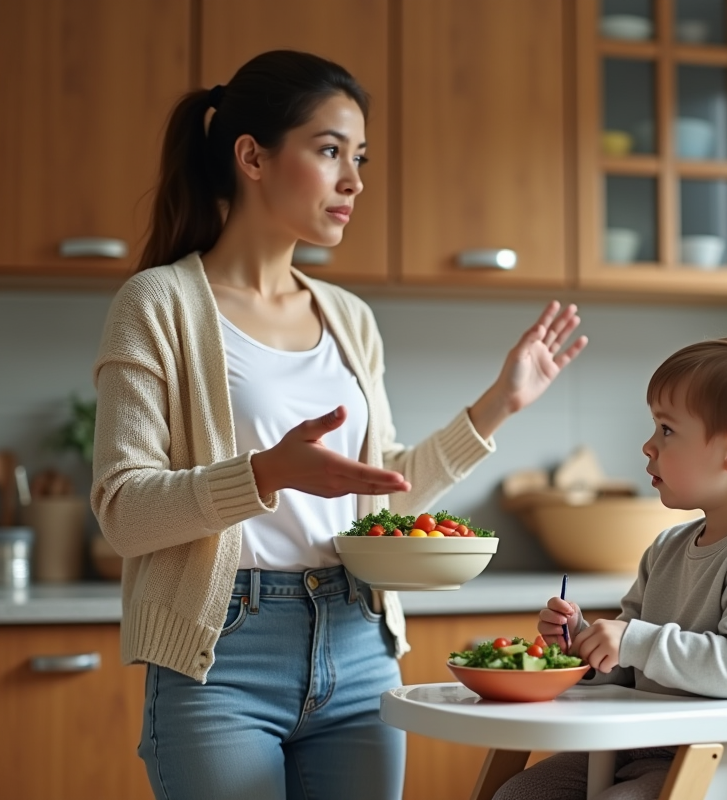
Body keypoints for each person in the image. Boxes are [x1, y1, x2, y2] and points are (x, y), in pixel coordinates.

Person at [89, 50, 587, 800]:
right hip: (219, 653)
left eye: (358, 157)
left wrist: (500, 404)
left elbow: (381, 504)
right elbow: (123, 513)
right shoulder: (156, 305)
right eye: (329, 151)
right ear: (252, 156)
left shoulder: (350, 319)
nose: (354, 180)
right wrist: (264, 475)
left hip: (359, 642)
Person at [495, 335, 727, 800]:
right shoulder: (667, 547)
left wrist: (631, 640)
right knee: (519, 794)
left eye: (667, 430)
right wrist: (584, 643)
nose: (648, 446)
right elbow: (629, 666)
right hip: (639, 743)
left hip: (716, 759)